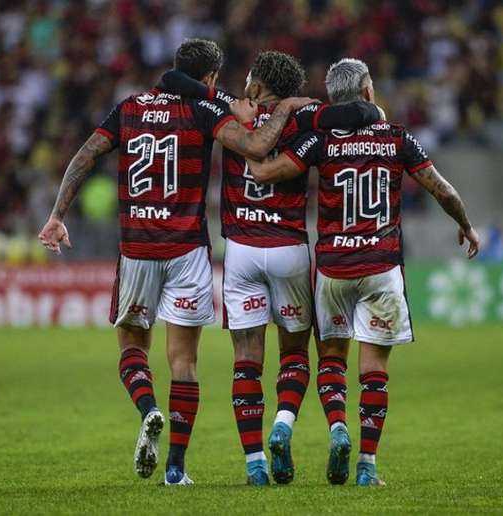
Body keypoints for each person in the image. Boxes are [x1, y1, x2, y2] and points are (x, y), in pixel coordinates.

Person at [38, 38, 313, 486]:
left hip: (137, 249)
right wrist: (284, 109)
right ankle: (175, 468)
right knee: (183, 363)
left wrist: (56, 216)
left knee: (132, 349)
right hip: (187, 250)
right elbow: (255, 144)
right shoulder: (205, 109)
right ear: (208, 78)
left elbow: (86, 153)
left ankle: (149, 410)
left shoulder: (129, 108)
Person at [247, 58, 480, 486]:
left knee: (331, 361)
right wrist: (465, 225)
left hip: (333, 268)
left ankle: (338, 428)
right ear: (369, 92)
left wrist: (248, 142)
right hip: (381, 267)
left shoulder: (320, 142)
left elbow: (266, 170)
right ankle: (367, 467)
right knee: (374, 370)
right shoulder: (396, 138)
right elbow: (440, 189)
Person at [159, 51, 383, 485]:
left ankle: (255, 464)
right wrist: (306, 106)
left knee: (246, 360)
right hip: (289, 249)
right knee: (296, 355)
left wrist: (222, 95)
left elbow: (176, 82)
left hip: (240, 249)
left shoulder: (228, 109)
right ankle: (283, 422)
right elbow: (358, 114)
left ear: (256, 86)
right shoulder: (308, 117)